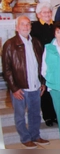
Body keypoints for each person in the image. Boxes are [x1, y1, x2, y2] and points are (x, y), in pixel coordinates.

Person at [1, 16, 49, 149]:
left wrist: (42, 83)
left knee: (35, 113)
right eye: (23, 24)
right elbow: (7, 70)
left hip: (35, 85)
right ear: (17, 28)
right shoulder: (9, 45)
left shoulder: (36, 43)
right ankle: (25, 138)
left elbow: (42, 65)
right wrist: (14, 88)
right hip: (20, 88)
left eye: (28, 24)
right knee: (20, 115)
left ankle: (35, 135)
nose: (26, 27)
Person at [30, 2, 57, 127]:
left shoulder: (56, 25)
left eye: (49, 12)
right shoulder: (34, 27)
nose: (47, 14)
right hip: (42, 62)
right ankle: (48, 116)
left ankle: (56, 114)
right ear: (38, 14)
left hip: (56, 62)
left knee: (55, 89)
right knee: (45, 90)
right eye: (44, 12)